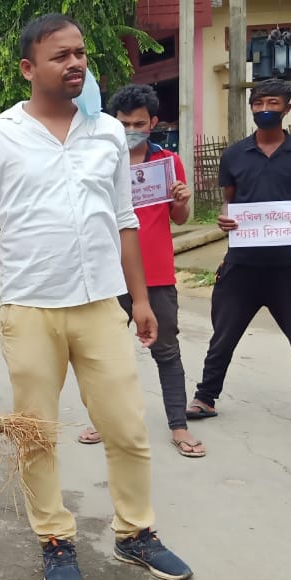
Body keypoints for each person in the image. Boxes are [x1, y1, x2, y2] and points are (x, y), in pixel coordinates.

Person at [0, 14, 192, 580]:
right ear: (29, 68)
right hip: (31, 307)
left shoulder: (107, 136)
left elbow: (123, 219)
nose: (75, 63)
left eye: (81, 53)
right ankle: (54, 538)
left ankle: (134, 531)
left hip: (101, 304)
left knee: (126, 427)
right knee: (37, 433)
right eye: (60, 55)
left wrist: (140, 299)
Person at [186, 78, 291, 435]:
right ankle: (205, 397)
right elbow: (229, 198)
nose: (264, 110)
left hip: (288, 266)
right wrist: (225, 217)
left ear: (287, 108)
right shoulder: (234, 155)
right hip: (241, 267)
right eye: (257, 104)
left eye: (272, 103)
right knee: (223, 336)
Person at [78, 85, 203, 457]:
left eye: (138, 123)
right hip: (107, 274)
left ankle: (178, 426)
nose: (131, 129)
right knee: (105, 353)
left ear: (153, 124)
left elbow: (178, 218)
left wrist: (181, 200)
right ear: (112, 124)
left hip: (158, 275)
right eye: (124, 122)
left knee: (166, 351)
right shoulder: (97, 160)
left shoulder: (168, 162)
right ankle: (103, 420)